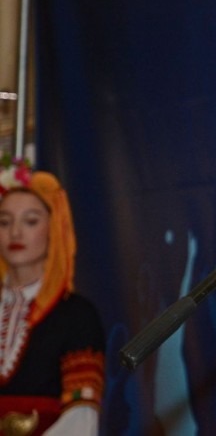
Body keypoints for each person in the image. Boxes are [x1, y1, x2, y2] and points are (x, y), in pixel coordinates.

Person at [0, 156, 105, 435]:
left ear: (54, 228)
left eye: (31, 221)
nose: (15, 232)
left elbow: (81, 418)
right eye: (4, 222)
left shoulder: (76, 315)